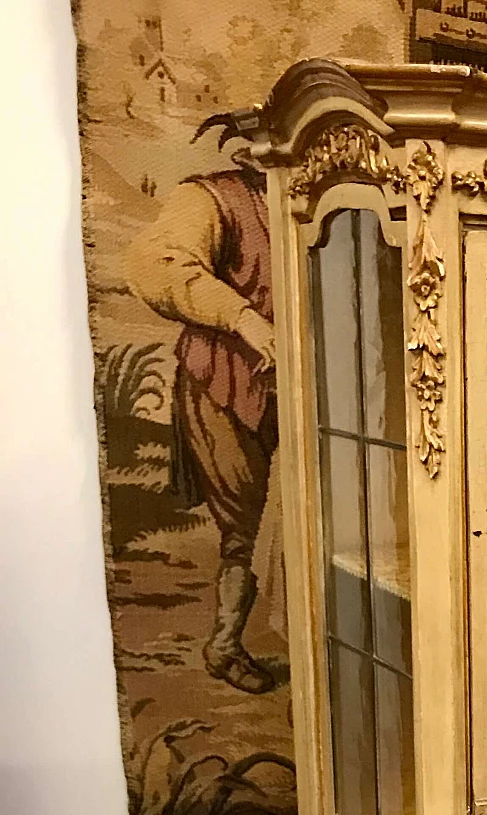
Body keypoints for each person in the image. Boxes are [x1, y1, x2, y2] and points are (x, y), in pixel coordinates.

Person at [127, 131, 277, 694]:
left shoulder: (323, 199)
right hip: (226, 384)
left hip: (312, 387)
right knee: (244, 524)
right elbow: (155, 266)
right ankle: (225, 645)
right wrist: (243, 317)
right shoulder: (212, 199)